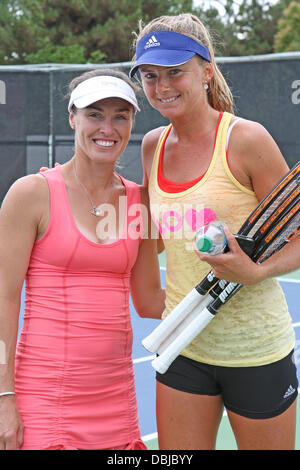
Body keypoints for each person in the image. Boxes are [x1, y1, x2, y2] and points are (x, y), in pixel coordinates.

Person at [129, 13, 300, 450]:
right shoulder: (152, 146)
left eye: (174, 72)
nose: (162, 86)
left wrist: (256, 271)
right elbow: (154, 234)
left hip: (256, 350)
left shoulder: (246, 141)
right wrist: (68, 183)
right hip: (182, 347)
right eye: (150, 75)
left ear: (206, 71)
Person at [0, 69, 165, 450]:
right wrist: (4, 397)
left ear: (131, 123)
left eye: (120, 116)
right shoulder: (30, 194)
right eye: (95, 114)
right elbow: (5, 300)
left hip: (116, 402)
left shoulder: (139, 202)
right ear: (72, 116)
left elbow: (151, 301)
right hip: (43, 397)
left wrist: (227, 282)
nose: (107, 127)